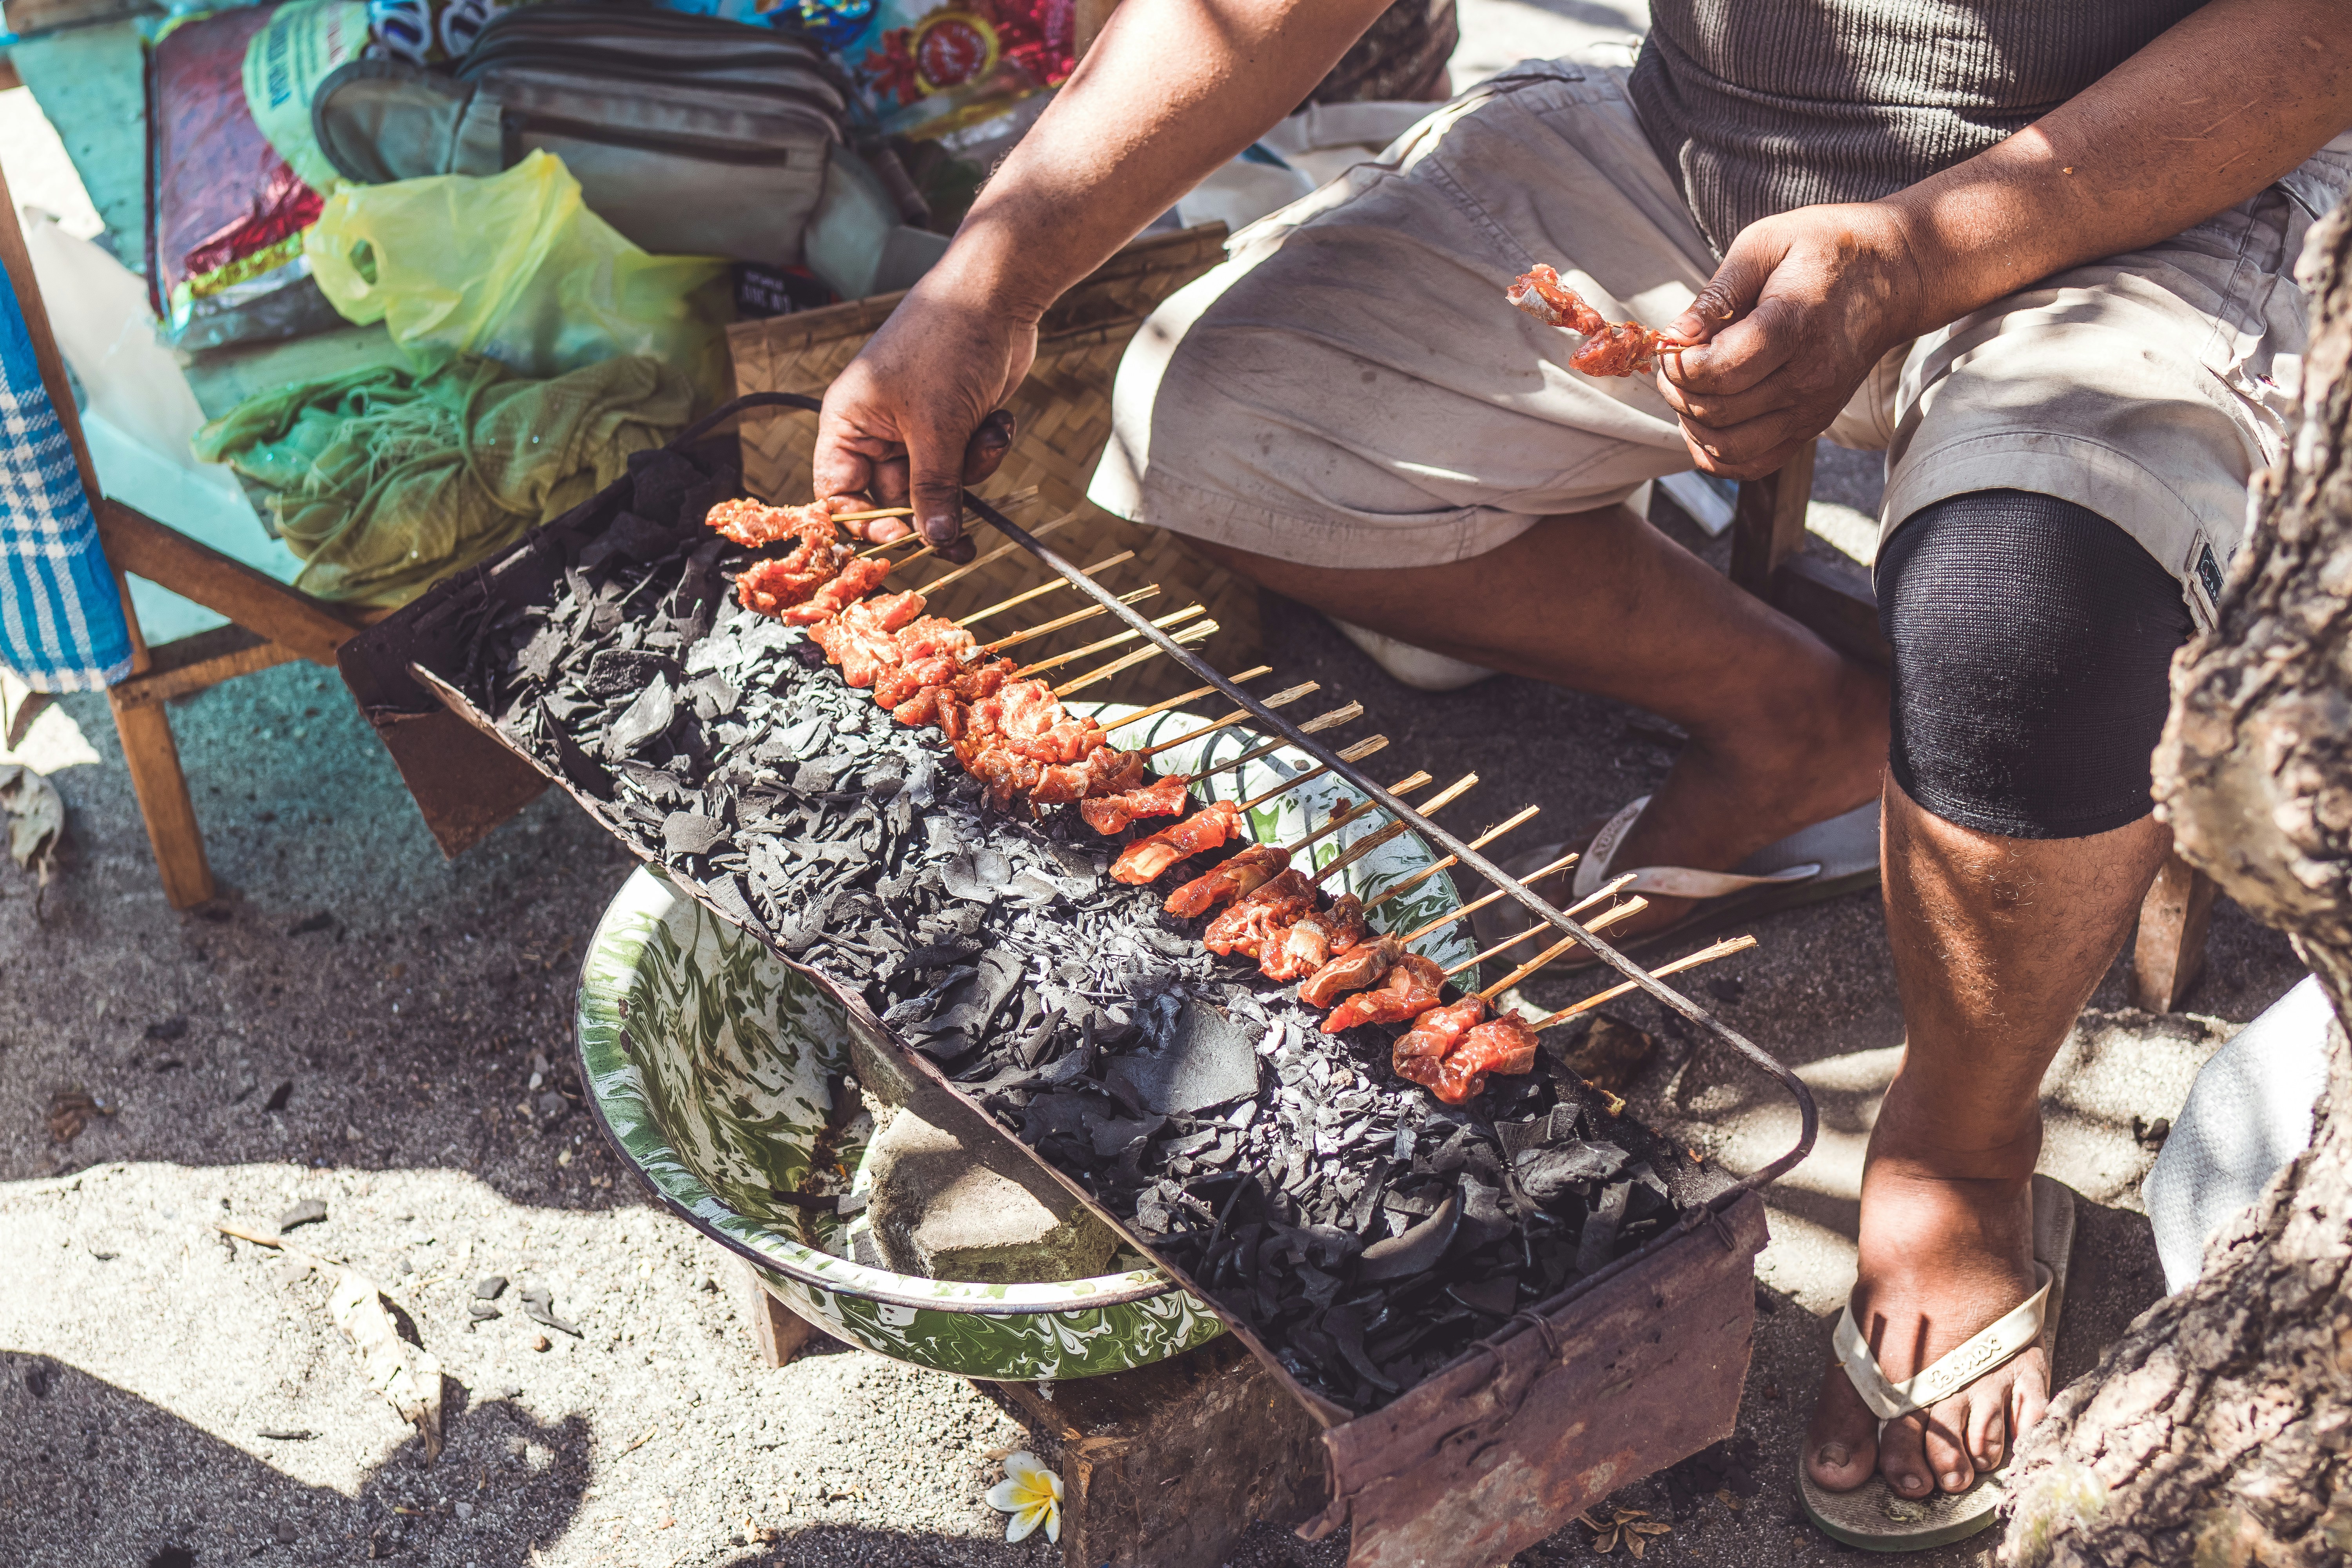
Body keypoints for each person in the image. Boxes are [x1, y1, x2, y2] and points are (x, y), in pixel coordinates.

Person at [809, 0, 2352, 1546]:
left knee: (2021, 613)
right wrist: (985, 280)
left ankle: (1960, 1147)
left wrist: (1909, 255)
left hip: (2163, 195)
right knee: (1220, 416)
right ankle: (1798, 716)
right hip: (1710, 157)